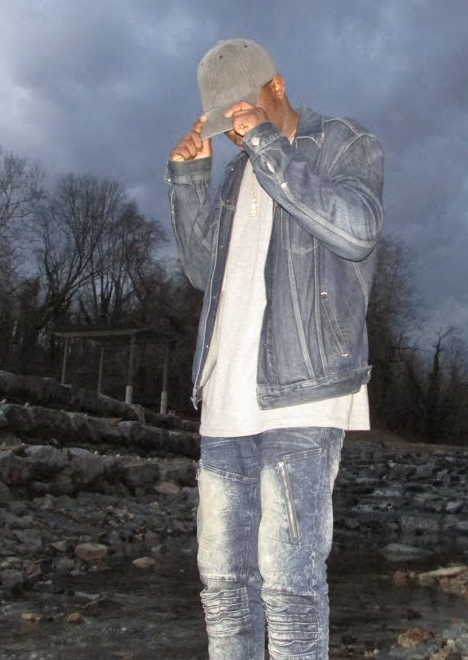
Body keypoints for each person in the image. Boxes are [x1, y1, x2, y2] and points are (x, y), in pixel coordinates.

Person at [164, 38, 384, 659]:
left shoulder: (343, 142)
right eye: (226, 118)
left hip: (305, 392)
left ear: (276, 87)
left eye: (243, 108)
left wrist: (265, 145)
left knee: (289, 587)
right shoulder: (235, 174)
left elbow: (357, 232)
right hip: (225, 399)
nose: (235, 127)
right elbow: (205, 272)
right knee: (224, 587)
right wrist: (189, 181)